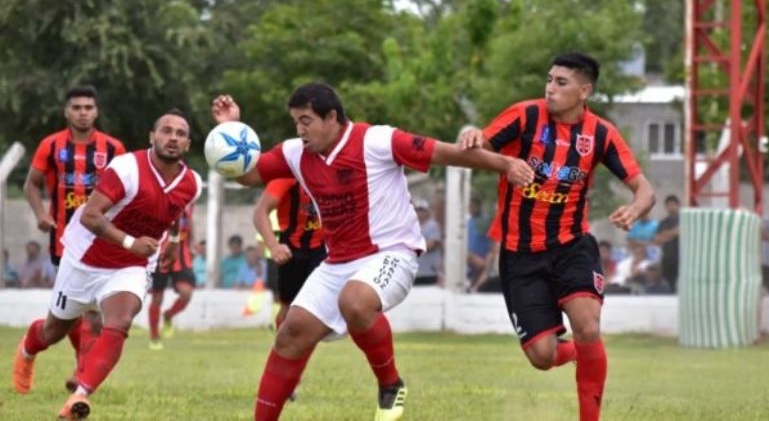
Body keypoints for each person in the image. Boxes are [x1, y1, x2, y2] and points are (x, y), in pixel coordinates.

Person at [211, 82, 533, 421]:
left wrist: (505, 164)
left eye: (306, 120)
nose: (299, 129)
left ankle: (390, 383)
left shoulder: (377, 141)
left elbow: (446, 153)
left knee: (355, 301)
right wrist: (229, 129)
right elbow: (249, 176)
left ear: (331, 116)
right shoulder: (295, 153)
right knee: (290, 333)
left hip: (393, 254)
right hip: (337, 262)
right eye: (295, 122)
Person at [459, 52, 655, 421]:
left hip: (571, 246)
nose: (550, 88)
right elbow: (475, 150)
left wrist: (635, 209)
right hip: (520, 254)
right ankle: (584, 351)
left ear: (585, 90)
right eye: (549, 80)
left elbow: (645, 190)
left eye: (561, 83)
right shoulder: (524, 115)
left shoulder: (600, 134)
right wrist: (477, 140)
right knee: (542, 357)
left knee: (587, 324)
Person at [12, 109, 202, 420]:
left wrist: (176, 243)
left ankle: (79, 396)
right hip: (84, 258)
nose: (173, 138)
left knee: (120, 321)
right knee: (52, 332)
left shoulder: (192, 182)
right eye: (166, 130)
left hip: (132, 265)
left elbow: (179, 213)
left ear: (188, 144)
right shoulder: (127, 168)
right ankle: (26, 352)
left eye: (180, 134)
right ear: (152, 137)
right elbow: (89, 215)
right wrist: (130, 241)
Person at [23, 85, 127, 390]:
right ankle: (76, 362)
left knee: (94, 309)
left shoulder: (113, 149)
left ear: (96, 112)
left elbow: (126, 189)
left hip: (101, 238)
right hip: (63, 240)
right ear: (67, 112)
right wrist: (41, 213)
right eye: (77, 107)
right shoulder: (51, 145)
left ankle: (82, 371)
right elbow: (31, 184)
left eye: (88, 107)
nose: (83, 113)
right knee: (72, 310)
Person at [253, 177, 327, 329]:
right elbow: (260, 212)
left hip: (323, 250)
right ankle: (281, 347)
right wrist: (274, 246)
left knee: (314, 309)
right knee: (287, 307)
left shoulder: (334, 171)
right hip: (291, 251)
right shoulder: (287, 173)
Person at [147, 205, 197, 351]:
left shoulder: (189, 199)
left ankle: (169, 315)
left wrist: (192, 243)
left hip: (182, 254)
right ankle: (154, 337)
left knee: (186, 293)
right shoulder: (160, 196)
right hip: (160, 252)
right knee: (157, 297)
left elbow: (189, 221)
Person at [653, 195, 680, 292]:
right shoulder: (663, 222)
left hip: (680, 256)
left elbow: (681, 231)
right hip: (667, 257)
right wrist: (673, 233)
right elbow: (657, 239)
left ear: (678, 205)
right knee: (669, 283)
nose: (671, 207)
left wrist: (665, 234)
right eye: (668, 205)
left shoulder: (682, 219)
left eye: (673, 204)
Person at [466, 196, 493, 292]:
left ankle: (474, 287)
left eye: (473, 206)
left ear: (479, 206)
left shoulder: (486, 220)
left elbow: (492, 239)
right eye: (470, 206)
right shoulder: (468, 221)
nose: (471, 208)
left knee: (482, 268)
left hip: (482, 257)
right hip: (470, 256)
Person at [413, 198, 443, 286]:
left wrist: (411, 246)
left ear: (427, 212)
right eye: (417, 210)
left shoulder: (432, 225)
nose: (419, 213)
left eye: (422, 210)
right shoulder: (412, 227)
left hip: (430, 272)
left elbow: (430, 245)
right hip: (415, 273)